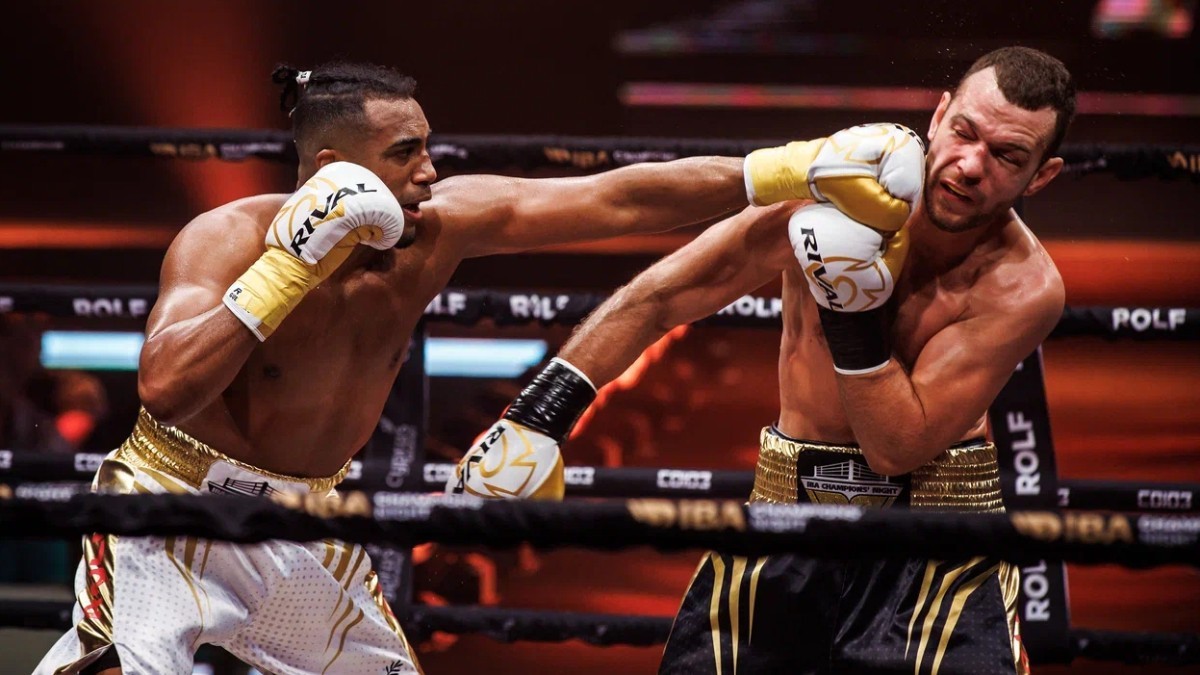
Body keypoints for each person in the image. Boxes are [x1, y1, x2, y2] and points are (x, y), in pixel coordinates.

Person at [35, 61, 758, 675]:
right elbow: (164, 388)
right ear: (334, 173)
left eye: (427, 148)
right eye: (406, 152)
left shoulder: (440, 225)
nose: (429, 171)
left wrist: (790, 169)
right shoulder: (227, 239)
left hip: (308, 520)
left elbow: (621, 197)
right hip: (172, 505)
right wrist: (284, 271)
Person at [453, 46, 1075, 674]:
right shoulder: (838, 185)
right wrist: (538, 416)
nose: (971, 165)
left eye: (1007, 156)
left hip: (934, 544)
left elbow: (896, 446)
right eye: (965, 132)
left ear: (1041, 176)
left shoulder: (1022, 288)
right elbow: (664, 294)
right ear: (939, 115)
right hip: (787, 511)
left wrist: (849, 306)